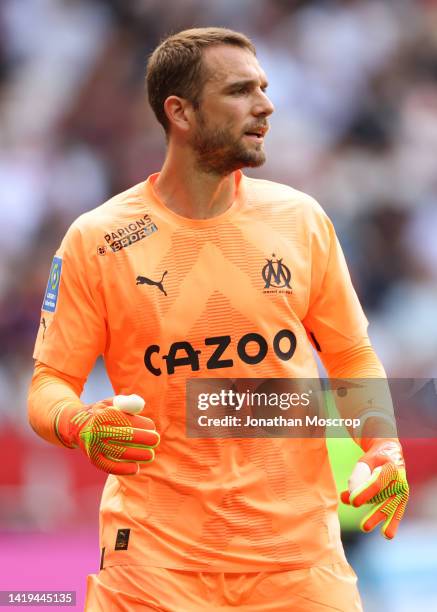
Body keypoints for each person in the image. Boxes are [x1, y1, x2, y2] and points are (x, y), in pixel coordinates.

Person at [28, 27, 409, 611]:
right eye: (239, 91)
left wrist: (383, 445)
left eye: (263, 87)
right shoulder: (99, 239)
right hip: (156, 566)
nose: (266, 105)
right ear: (179, 112)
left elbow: (352, 355)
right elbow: (48, 385)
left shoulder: (300, 220)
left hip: (298, 561)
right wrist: (81, 424)